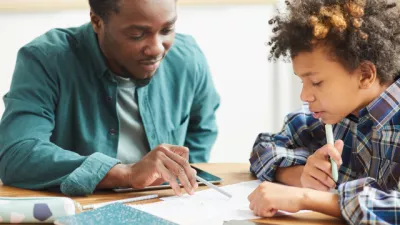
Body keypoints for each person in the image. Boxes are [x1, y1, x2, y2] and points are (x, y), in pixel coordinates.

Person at [0, 0, 220, 197]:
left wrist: (183, 175)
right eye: (137, 34)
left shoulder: (187, 58)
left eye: (167, 29)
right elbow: (16, 154)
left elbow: (202, 127)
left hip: (169, 204)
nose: (156, 48)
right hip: (81, 207)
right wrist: (126, 173)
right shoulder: (46, 59)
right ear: (97, 22)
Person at [248, 0, 400, 224]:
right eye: (302, 82)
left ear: (365, 75)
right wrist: (301, 175)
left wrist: (308, 198)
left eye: (316, 82)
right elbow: (264, 148)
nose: (305, 96)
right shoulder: (342, 113)